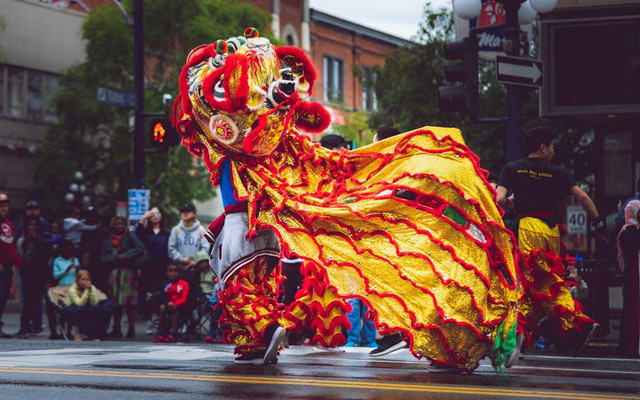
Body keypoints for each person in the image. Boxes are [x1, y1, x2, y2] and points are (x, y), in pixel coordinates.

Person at [496, 127, 603, 362]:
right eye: (552, 146)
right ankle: (518, 335)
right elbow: (583, 197)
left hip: (530, 227)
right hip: (553, 231)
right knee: (541, 283)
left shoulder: (512, 168)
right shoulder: (558, 172)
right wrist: (599, 223)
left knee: (537, 281)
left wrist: (512, 204)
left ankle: (571, 321)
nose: (553, 151)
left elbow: (499, 198)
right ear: (543, 147)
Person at [101, 216, 147, 339]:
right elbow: (103, 257)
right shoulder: (108, 240)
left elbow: (140, 249)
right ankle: (117, 328)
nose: (120, 226)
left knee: (130, 302)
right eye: (117, 224)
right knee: (115, 302)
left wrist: (125, 256)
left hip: (128, 273)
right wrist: (114, 258)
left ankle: (131, 328)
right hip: (114, 274)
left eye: (122, 224)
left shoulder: (130, 237)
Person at [15, 216, 53, 338]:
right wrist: (30, 243)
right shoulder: (24, 241)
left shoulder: (44, 240)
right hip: (28, 275)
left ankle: (48, 329)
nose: (33, 228)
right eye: (30, 225)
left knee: (44, 303)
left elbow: (48, 257)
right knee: (28, 303)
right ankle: (24, 327)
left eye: (35, 225)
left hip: (42, 276)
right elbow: (23, 259)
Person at [135, 206, 170, 335]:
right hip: (148, 268)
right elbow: (137, 235)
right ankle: (149, 321)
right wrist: (144, 217)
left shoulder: (166, 233)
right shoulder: (146, 232)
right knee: (148, 295)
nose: (155, 216)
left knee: (161, 294)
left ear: (161, 215)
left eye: (157, 213)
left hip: (162, 267)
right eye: (152, 214)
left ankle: (161, 322)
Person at [616, 199, 640, 357]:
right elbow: (632, 249)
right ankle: (629, 348)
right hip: (633, 275)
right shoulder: (627, 231)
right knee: (632, 310)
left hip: (634, 274)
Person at [66, 269, 111, 341]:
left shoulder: (92, 287)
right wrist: (87, 291)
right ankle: (79, 332)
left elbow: (94, 302)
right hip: (76, 309)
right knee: (80, 310)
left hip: (88, 307)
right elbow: (79, 303)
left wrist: (91, 291)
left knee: (102, 307)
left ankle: (96, 333)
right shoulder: (72, 289)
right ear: (78, 280)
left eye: (87, 279)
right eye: (83, 279)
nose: (85, 282)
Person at [0, 192, 21, 338]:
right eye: (0, 206)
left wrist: (19, 263)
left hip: (7, 267)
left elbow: (11, 247)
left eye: (5, 205)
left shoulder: (9, 225)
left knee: (4, 297)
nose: (3, 208)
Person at [153, 262, 189, 343]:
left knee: (175, 309)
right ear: (166, 273)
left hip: (180, 305)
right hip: (168, 304)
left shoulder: (183, 284)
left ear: (179, 272)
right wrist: (168, 303)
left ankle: (174, 332)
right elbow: (162, 296)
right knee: (162, 307)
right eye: (170, 271)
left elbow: (184, 297)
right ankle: (161, 332)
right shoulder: (165, 284)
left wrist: (175, 304)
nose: (173, 273)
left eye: (175, 271)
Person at [168, 204, 208, 276]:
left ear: (194, 214)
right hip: (179, 269)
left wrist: (195, 261)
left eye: (188, 211)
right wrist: (182, 259)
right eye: (183, 212)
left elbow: (205, 249)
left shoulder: (201, 230)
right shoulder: (176, 230)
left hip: (197, 270)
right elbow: (171, 249)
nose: (185, 213)